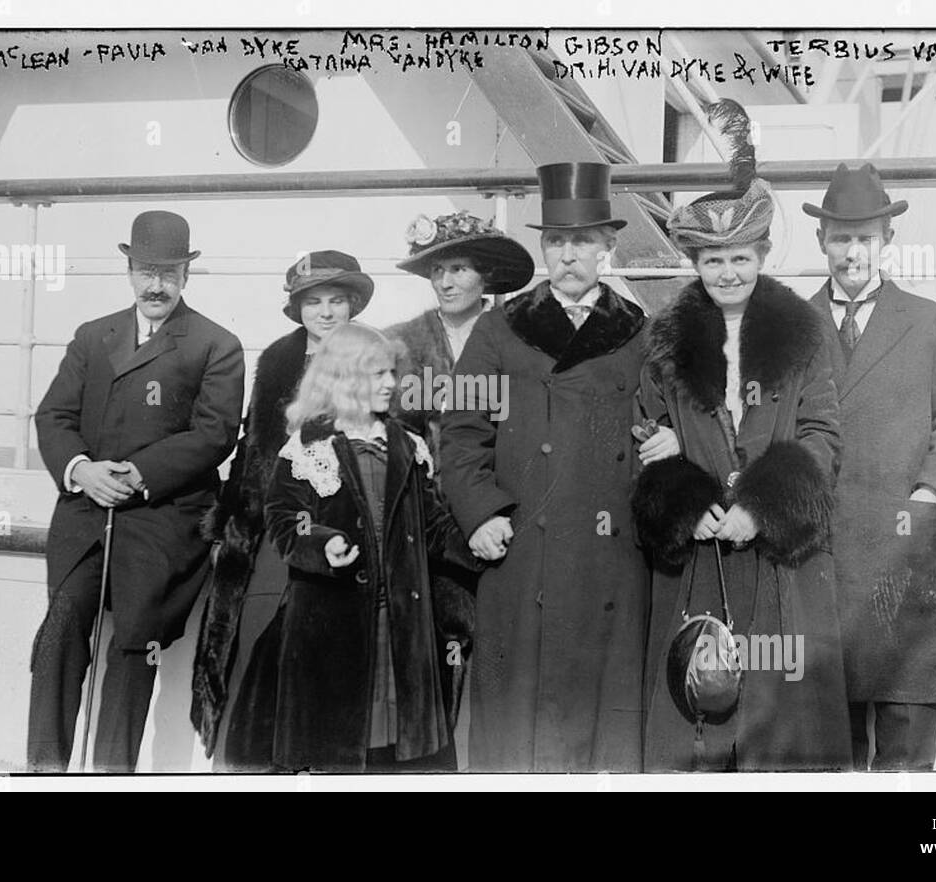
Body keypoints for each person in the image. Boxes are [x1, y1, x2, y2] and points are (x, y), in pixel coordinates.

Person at [440, 162, 678, 772]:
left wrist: (668, 442)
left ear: (607, 248)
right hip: (522, 551)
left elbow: (671, 420)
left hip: (612, 557)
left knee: (603, 726)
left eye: (582, 241)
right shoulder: (499, 328)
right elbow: (462, 437)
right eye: (556, 241)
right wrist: (479, 514)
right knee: (518, 728)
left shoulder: (641, 333)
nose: (568, 254)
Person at [632, 110, 852, 768]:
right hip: (703, 562)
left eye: (739, 258)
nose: (726, 273)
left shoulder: (804, 336)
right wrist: (679, 492)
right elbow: (645, 431)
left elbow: (822, 432)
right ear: (694, 261)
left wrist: (763, 506)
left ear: (760, 255)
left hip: (780, 564)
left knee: (780, 733)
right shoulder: (666, 348)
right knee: (704, 717)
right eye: (711, 260)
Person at [29, 210, 245, 772]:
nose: (156, 285)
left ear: (186, 275)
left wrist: (134, 475)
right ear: (128, 269)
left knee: (133, 643)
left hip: (162, 520)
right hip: (85, 515)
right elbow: (54, 415)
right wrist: (81, 469)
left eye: (169, 273)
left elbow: (215, 433)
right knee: (60, 627)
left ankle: (111, 776)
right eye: (147, 270)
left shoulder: (215, 344)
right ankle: (42, 770)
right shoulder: (92, 336)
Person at [804, 163, 936, 771]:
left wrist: (932, 496)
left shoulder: (933, 324)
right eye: (841, 237)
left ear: (888, 241)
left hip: (911, 565)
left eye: (864, 237)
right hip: (822, 564)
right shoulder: (791, 328)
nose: (852, 252)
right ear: (821, 241)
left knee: (907, 763)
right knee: (831, 758)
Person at [255, 322, 483, 771]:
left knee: (397, 746)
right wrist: (321, 544)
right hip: (333, 621)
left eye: (392, 373)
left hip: (401, 623)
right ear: (346, 378)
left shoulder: (407, 444)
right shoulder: (307, 447)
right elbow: (285, 521)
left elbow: (433, 524)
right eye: (378, 374)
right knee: (339, 744)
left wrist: (476, 540)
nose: (391, 383)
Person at [190, 251, 373, 768]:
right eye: (313, 301)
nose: (326, 312)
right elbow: (252, 447)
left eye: (337, 300)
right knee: (255, 639)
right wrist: (233, 520)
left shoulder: (373, 358)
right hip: (274, 527)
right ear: (297, 308)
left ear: (354, 305)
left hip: (342, 530)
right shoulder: (275, 359)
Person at [385, 210, 536, 741]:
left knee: (506, 657)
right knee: (434, 659)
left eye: (460, 269)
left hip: (502, 516)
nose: (446, 282)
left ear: (487, 277)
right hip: (427, 527)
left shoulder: (521, 337)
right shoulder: (399, 345)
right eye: (437, 271)